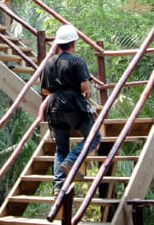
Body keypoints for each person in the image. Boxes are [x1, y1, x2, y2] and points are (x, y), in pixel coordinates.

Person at [41, 24, 101, 196]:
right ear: (73, 43)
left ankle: (58, 187)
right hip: (73, 106)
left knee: (61, 148)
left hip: (53, 108)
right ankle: (71, 161)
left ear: (58, 44)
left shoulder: (49, 63)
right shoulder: (77, 61)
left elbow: (45, 90)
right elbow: (84, 86)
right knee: (94, 136)